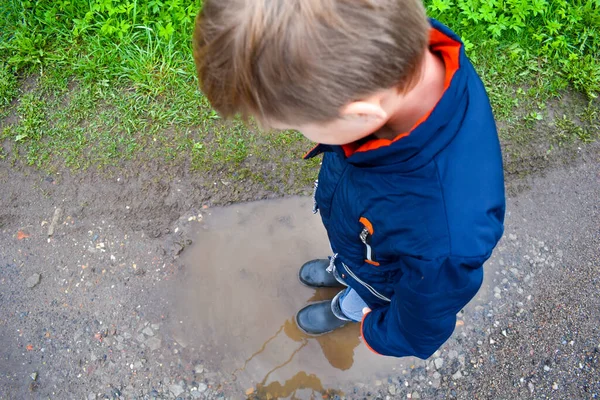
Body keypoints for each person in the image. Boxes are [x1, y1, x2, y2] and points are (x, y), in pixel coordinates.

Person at [192, 0, 505, 359]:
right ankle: (343, 268)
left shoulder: (444, 239)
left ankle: (351, 306)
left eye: (298, 126)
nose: (301, 134)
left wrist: (378, 329)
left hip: (385, 276)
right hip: (363, 229)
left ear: (361, 115)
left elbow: (421, 324)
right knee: (356, 253)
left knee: (368, 290)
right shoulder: (390, 53)